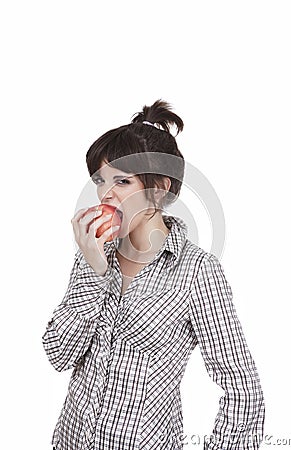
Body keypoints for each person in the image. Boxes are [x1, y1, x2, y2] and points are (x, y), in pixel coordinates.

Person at [42, 99, 265, 450]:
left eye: (123, 181)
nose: (106, 194)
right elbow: (59, 355)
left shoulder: (197, 271)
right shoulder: (92, 255)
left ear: (160, 188)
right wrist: (93, 270)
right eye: (100, 180)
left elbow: (241, 387)